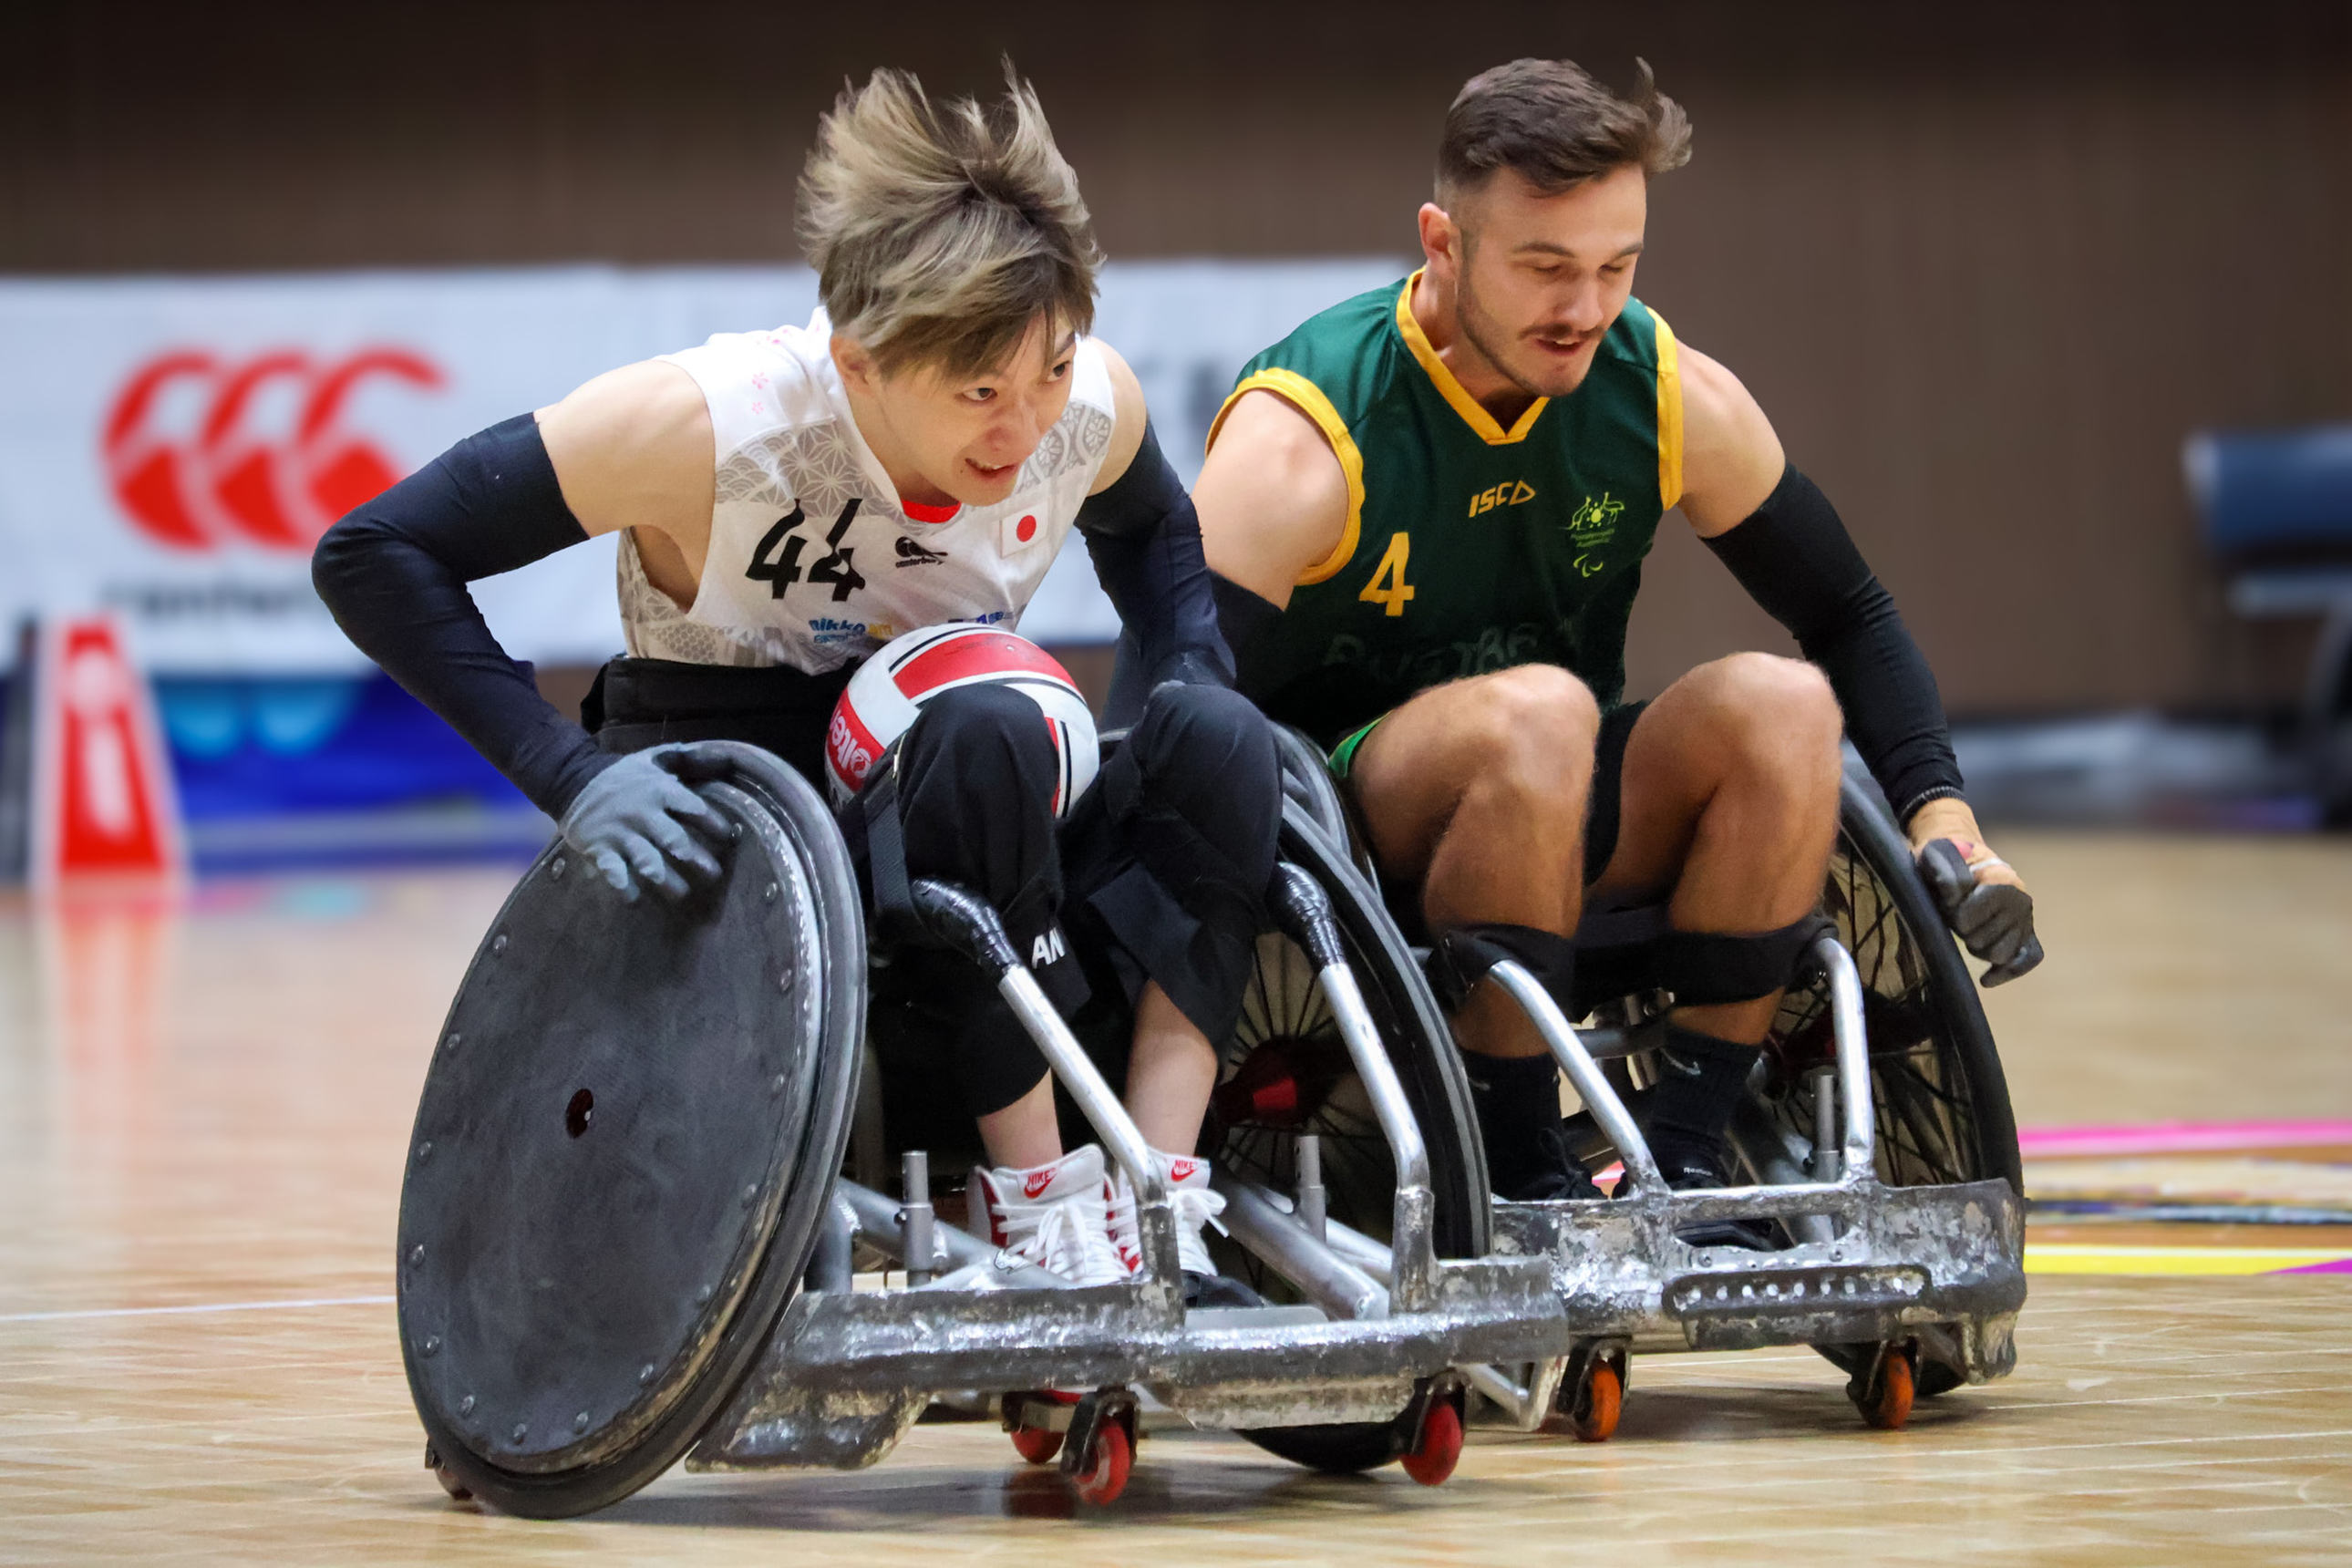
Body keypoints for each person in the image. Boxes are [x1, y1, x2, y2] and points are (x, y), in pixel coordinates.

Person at [314, 67, 1275, 1301]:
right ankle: (1042, 1215)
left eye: (1045, 376)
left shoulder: (1086, 404)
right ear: (863, 361)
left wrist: (1181, 677)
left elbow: (1154, 539)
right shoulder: (707, 427)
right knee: (985, 735)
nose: (1024, 427)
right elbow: (375, 553)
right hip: (750, 796)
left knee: (1226, 737)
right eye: (979, 393)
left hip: (956, 765)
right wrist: (570, 775)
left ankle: (1159, 1199)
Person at [1193, 57, 2041, 1224]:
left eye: (1616, 266)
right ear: (1442, 242)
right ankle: (1512, 1153)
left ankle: (1690, 1152)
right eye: (1545, 267)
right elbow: (1179, 701)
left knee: (1783, 706)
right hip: (1348, 838)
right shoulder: (1306, 431)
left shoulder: (1663, 389)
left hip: (1561, 795)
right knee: (1540, 713)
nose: (1586, 307)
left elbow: (1852, 614)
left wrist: (1946, 821)